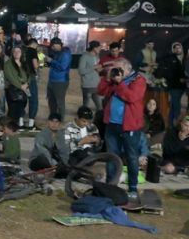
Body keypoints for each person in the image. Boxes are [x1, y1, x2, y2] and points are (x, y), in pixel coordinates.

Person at [97, 57, 146, 199]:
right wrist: (107, 78)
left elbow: (131, 97)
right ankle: (110, 186)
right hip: (112, 124)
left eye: (117, 68)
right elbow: (100, 91)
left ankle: (132, 188)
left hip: (129, 126)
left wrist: (119, 83)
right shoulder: (114, 79)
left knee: (131, 157)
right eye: (114, 68)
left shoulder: (138, 80)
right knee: (112, 156)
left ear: (126, 69)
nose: (115, 71)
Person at [155, 42, 186, 123]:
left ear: (181, 48)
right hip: (174, 86)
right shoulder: (169, 58)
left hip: (183, 86)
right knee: (176, 106)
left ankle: (171, 124)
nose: (178, 49)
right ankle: (177, 125)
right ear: (173, 49)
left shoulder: (184, 57)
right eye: (176, 48)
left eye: (179, 48)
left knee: (173, 105)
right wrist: (178, 79)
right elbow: (167, 72)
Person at [44, 37, 71, 118]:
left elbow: (63, 67)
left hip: (60, 81)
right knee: (51, 101)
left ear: (58, 44)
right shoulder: (57, 53)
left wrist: (51, 61)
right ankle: (53, 118)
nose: (52, 48)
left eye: (53, 46)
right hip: (52, 80)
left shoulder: (65, 54)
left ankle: (61, 119)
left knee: (60, 102)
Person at [3, 46, 29, 127]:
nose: (17, 53)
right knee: (12, 109)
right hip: (12, 89)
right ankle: (9, 126)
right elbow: (10, 77)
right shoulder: (8, 64)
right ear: (12, 53)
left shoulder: (25, 63)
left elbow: (30, 75)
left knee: (21, 107)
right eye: (15, 51)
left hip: (24, 89)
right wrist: (20, 86)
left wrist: (27, 83)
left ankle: (16, 125)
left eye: (19, 51)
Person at [78, 40, 103, 112]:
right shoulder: (85, 57)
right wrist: (94, 67)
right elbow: (81, 71)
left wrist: (100, 69)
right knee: (86, 106)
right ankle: (82, 118)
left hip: (96, 85)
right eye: (99, 48)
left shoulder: (97, 57)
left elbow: (96, 70)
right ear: (94, 48)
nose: (100, 49)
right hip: (87, 85)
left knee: (100, 107)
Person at [24, 38, 40, 130]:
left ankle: (20, 121)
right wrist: (39, 65)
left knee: (22, 99)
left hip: (22, 78)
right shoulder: (33, 51)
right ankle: (31, 123)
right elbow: (35, 65)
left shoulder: (23, 50)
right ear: (34, 44)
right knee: (33, 100)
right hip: (31, 78)